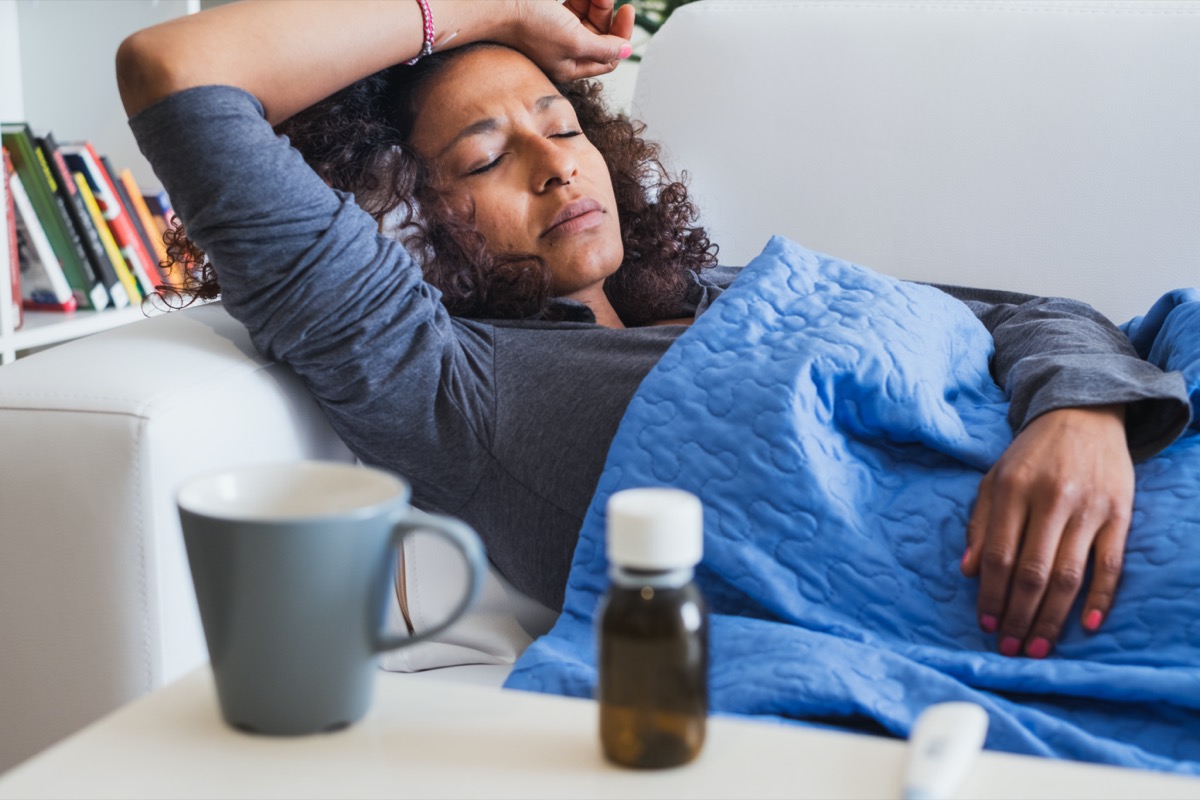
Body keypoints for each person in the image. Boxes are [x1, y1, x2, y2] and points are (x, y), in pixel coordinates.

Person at [115, 0, 1189, 660]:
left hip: (1141, 450)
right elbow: (175, 72)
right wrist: (496, 10)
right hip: (1072, 585)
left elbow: (1039, 316)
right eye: (486, 157)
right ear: (410, 220)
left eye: (562, 124)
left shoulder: (724, 286)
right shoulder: (454, 386)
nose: (556, 165)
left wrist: (1084, 414)